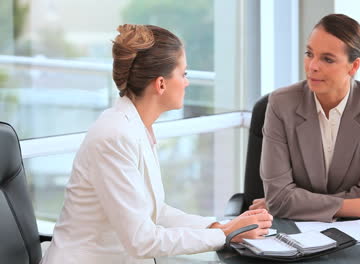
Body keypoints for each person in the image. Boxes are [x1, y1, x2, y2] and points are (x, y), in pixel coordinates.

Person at [41, 24, 272, 264]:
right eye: (183, 74)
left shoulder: (138, 127)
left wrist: (219, 226)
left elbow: (156, 211)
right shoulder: (114, 136)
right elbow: (142, 240)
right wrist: (224, 234)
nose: (187, 83)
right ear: (161, 84)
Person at [250, 14, 360, 222]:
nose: (313, 66)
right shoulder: (281, 104)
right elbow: (279, 198)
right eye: (309, 54)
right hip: (295, 238)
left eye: (327, 59)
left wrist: (294, 204)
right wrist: (357, 206)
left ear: (353, 66)